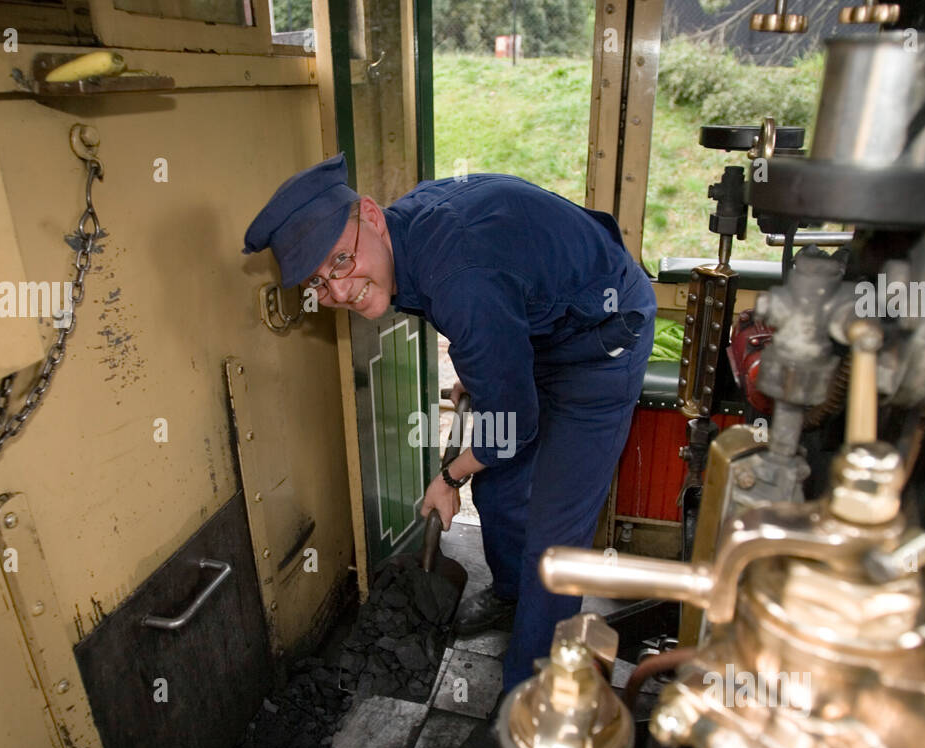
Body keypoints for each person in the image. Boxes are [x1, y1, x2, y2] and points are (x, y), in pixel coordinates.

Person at [244, 154, 654, 691]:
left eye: (340, 261)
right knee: (502, 486)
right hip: (543, 325)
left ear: (369, 214)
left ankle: (528, 703)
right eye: (318, 283)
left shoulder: (458, 269)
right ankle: (510, 594)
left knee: (553, 542)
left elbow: (515, 423)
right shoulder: (404, 234)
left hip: (602, 340)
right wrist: (483, 372)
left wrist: (450, 476)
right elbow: (480, 308)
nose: (339, 291)